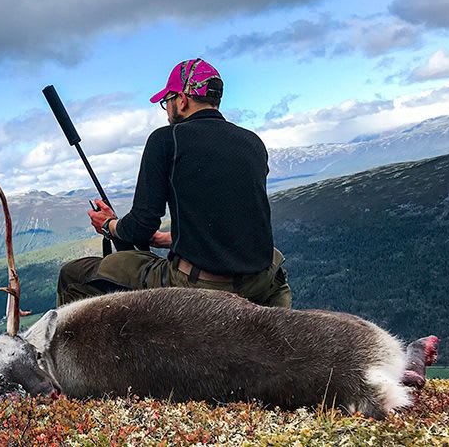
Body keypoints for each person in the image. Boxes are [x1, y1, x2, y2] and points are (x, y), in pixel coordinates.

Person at [57, 58, 291, 308]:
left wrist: (109, 225)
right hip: (263, 279)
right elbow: (234, 219)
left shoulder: (166, 140)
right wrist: (169, 238)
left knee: (73, 274)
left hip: (202, 284)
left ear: (182, 99)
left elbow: (140, 228)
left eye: (166, 101)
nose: (167, 108)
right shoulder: (252, 142)